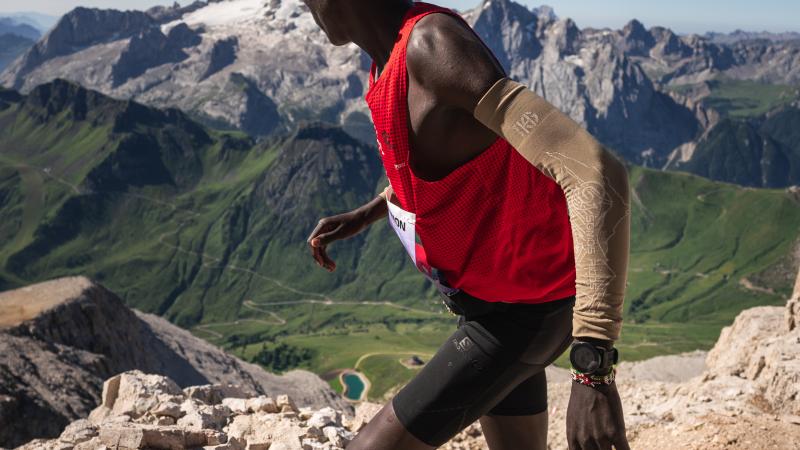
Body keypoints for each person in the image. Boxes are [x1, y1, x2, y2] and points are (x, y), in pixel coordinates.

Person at [303, 1, 632, 449]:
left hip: (525, 310)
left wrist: (593, 368)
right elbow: (451, 152)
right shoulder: (385, 60)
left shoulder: (433, 46)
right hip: (497, 301)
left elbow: (594, 171)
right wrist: (372, 210)